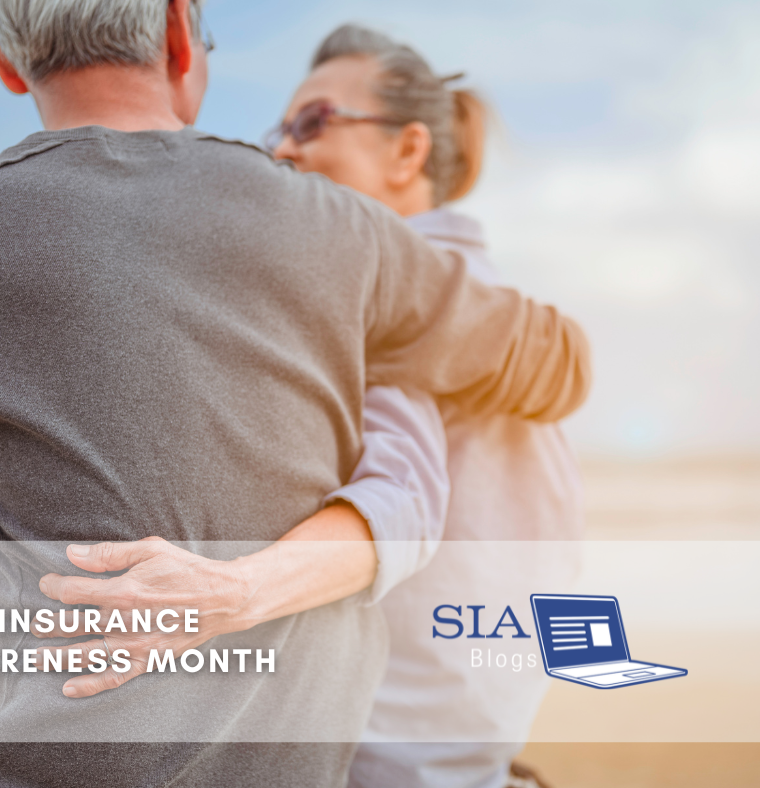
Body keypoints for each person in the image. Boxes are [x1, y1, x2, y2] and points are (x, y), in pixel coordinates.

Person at [0, 1, 590, 786]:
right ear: (181, 35)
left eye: (313, 122)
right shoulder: (339, 233)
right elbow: (555, 359)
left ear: (4, 59)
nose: (283, 147)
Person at [269, 24, 586, 788]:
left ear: (408, 152)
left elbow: (397, 507)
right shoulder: (482, 298)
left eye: (313, 122)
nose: (283, 149)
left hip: (399, 751)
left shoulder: (396, 304)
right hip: (468, 738)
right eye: (279, 129)